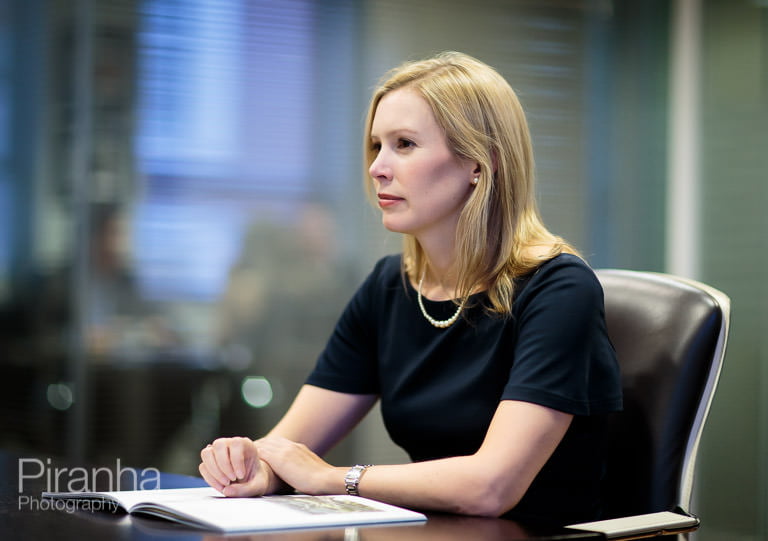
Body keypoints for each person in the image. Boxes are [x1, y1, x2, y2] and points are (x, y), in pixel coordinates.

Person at [198, 51, 622, 526]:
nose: (378, 167)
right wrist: (253, 465)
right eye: (376, 146)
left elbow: (491, 487)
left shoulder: (559, 289)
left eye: (404, 144)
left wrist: (332, 478)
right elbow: (289, 449)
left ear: (479, 163)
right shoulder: (388, 287)